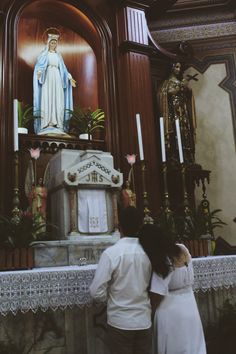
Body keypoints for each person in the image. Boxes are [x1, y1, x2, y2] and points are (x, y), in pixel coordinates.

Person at [90, 206, 152, 354]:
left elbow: (95, 291)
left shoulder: (112, 253)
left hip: (120, 321)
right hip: (143, 320)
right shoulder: (148, 252)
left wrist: (111, 299)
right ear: (140, 226)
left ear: (119, 226)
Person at [139, 224, 206, 354]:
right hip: (189, 303)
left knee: (175, 346)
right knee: (193, 344)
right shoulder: (182, 248)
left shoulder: (163, 259)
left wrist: (148, 314)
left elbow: (157, 294)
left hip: (170, 308)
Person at [33, 33, 76, 135]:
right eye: (52, 42)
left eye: (55, 43)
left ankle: (58, 123)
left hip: (57, 78)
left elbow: (64, 70)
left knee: (58, 99)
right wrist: (39, 72)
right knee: (47, 97)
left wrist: (70, 78)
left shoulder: (58, 56)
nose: (53, 44)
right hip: (48, 77)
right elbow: (40, 66)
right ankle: (48, 122)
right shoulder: (44, 54)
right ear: (48, 43)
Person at [158, 61, 197, 164]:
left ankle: (187, 155)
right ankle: (175, 155)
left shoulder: (181, 82)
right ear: (171, 68)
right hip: (173, 114)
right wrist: (180, 86)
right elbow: (165, 93)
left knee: (185, 133)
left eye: (180, 67)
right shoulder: (167, 83)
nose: (179, 69)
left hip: (183, 113)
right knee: (176, 133)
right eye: (177, 67)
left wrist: (187, 89)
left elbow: (188, 96)